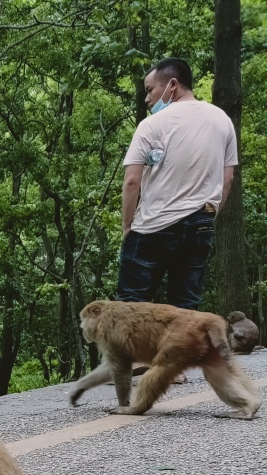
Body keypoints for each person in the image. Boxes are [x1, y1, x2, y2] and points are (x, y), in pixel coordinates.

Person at [117, 57, 238, 309]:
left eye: (150, 90)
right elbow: (227, 179)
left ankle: (133, 351)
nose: (147, 98)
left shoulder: (151, 125)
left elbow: (131, 181)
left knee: (130, 308)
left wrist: (128, 226)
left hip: (152, 226)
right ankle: (183, 351)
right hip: (200, 224)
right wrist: (207, 217)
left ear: (172, 85)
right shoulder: (222, 121)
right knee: (185, 310)